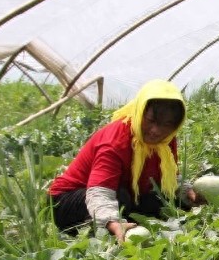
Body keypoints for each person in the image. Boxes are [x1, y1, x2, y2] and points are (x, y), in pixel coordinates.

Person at [48, 79, 204, 242]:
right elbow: (100, 192)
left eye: (167, 124)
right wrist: (111, 221)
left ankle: (124, 223)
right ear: (139, 111)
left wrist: (188, 193)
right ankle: (105, 231)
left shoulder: (166, 141)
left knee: (162, 199)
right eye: (151, 120)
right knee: (120, 197)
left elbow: (169, 177)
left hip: (119, 192)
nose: (156, 131)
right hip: (66, 202)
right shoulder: (115, 141)